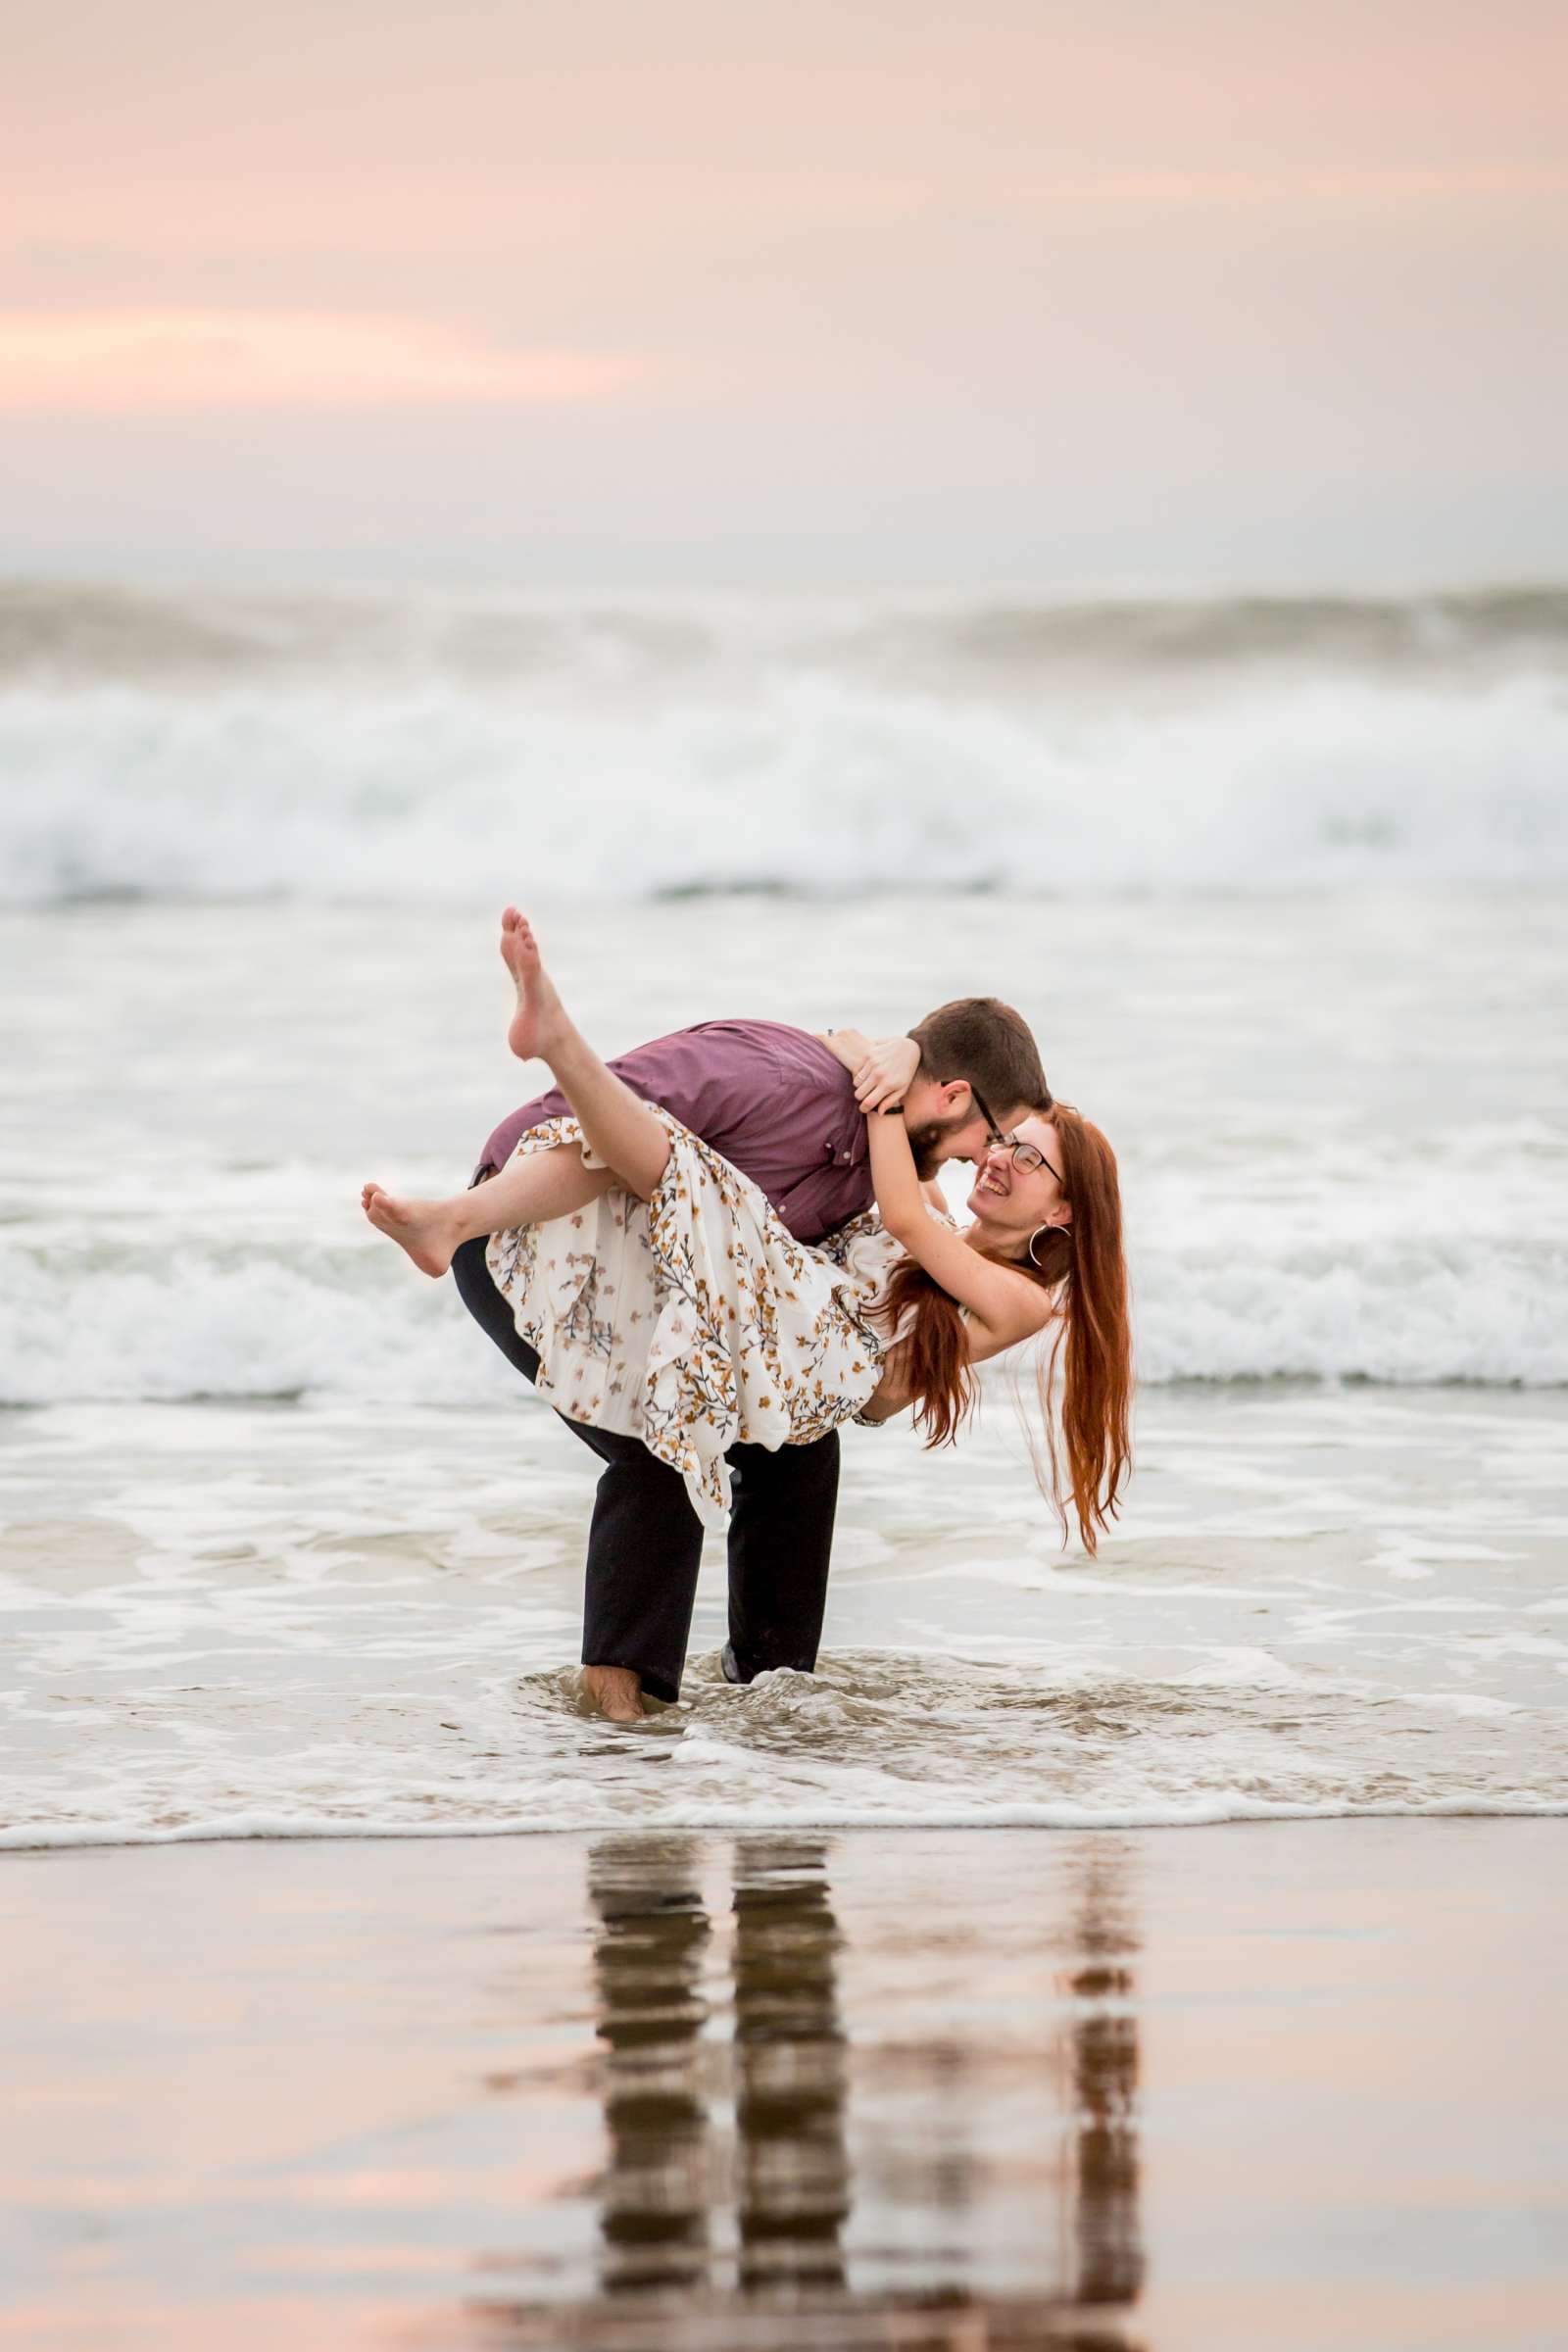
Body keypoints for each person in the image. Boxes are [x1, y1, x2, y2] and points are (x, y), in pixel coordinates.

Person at [363, 910, 1130, 1717]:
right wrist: (882, 1053)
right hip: (773, 1331)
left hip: (815, 1363)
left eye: (1026, 1154)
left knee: (780, 1411)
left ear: (1065, 1216)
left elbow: (893, 1280)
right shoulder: (933, 1193)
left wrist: (885, 1090)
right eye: (1005, 1141)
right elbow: (898, 1162)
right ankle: (553, 1053)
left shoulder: (1014, 1293)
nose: (997, 1158)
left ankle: (770, 1696)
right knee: (695, 1187)